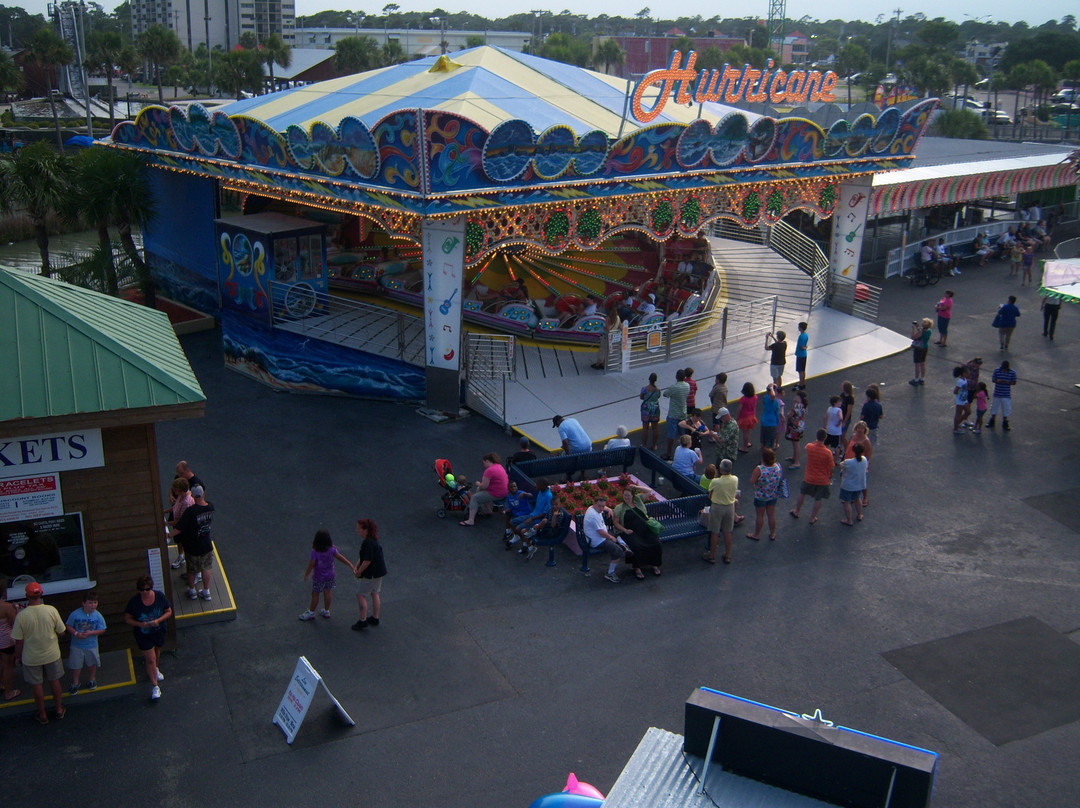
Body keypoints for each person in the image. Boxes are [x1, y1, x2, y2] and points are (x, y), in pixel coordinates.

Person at [11, 582, 67, 722]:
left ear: (26, 596)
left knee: (37, 685)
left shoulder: (22, 616)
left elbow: (18, 641)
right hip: (52, 654)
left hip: (31, 657)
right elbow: (62, 632)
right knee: (54, 681)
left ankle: (42, 715)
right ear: (41, 594)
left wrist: (18, 657)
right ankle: (59, 709)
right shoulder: (51, 610)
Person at [123, 575, 172, 701]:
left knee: (156, 651)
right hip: (143, 634)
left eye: (147, 589)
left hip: (158, 630)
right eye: (142, 590)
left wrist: (158, 620)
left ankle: (155, 668)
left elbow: (168, 611)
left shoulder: (159, 596)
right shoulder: (134, 602)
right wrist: (140, 624)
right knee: (150, 658)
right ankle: (155, 686)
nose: (144, 592)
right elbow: (127, 618)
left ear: (151, 588)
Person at [299, 529, 354, 621]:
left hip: (318, 577)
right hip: (330, 576)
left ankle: (311, 612)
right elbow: (340, 557)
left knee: (315, 594)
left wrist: (306, 574)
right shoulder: (332, 549)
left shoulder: (315, 552)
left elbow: (311, 564)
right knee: (327, 592)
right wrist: (349, 564)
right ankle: (326, 610)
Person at [174, 484, 215, 601]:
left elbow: (179, 527)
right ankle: (206, 591)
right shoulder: (210, 506)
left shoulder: (190, 511)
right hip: (206, 544)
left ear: (192, 495)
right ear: (203, 494)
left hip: (192, 545)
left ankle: (192, 591)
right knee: (206, 567)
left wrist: (168, 535)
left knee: (191, 569)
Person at [611, 485, 662, 579]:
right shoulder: (620, 508)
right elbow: (616, 522)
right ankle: (637, 567)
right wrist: (625, 530)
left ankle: (654, 564)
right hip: (629, 531)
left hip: (643, 529)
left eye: (628, 495)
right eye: (625, 495)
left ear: (633, 496)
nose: (626, 497)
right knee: (636, 546)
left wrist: (635, 487)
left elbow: (648, 491)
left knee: (656, 543)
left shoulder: (638, 500)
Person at [789, 429, 835, 524]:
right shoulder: (828, 453)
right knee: (818, 499)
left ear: (816, 436)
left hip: (809, 477)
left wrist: (816, 441)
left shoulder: (810, 447)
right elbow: (831, 467)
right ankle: (812, 517)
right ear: (825, 438)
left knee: (802, 493)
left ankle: (797, 511)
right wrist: (830, 476)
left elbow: (809, 445)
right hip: (822, 479)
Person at [65, 590, 106, 696]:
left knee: (92, 663)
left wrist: (91, 633)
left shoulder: (97, 615)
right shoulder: (75, 614)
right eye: (90, 602)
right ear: (84, 603)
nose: (93, 605)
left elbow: (103, 629)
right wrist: (76, 633)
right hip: (76, 645)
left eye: (95, 602)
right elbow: (68, 626)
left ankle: (92, 679)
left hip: (91, 645)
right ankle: (75, 682)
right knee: (76, 665)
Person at [582, 495, 628, 583]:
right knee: (617, 551)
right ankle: (610, 573)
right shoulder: (593, 516)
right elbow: (601, 532)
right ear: (594, 504)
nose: (602, 508)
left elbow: (604, 507)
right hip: (597, 541)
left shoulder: (592, 508)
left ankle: (624, 546)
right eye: (599, 506)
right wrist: (610, 537)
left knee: (619, 534)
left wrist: (609, 509)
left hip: (601, 536)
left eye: (603, 506)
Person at [351, 519, 387, 630]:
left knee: (361, 595)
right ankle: (375, 617)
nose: (357, 530)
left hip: (370, 574)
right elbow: (364, 557)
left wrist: (359, 572)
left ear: (365, 530)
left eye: (358, 528)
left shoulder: (367, 543)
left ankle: (363, 620)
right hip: (378, 572)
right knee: (375, 593)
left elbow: (367, 560)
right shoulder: (373, 541)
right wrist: (357, 566)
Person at [460, 452, 509, 526]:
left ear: (487, 461)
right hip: (504, 491)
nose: (484, 465)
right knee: (480, 492)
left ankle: (471, 520)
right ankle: (488, 510)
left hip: (497, 493)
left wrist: (479, 484)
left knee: (475, 497)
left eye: (484, 463)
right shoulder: (499, 466)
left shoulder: (489, 471)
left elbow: (484, 486)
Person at [705, 459, 739, 564]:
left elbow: (710, 496)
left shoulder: (715, 482)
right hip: (730, 507)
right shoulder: (735, 479)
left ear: (721, 469)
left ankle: (712, 556)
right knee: (727, 532)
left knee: (715, 532)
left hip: (717, 507)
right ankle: (728, 555)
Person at [746, 447, 783, 541]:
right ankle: (772, 533)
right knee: (771, 515)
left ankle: (756, 534)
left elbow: (751, 481)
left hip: (761, 496)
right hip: (773, 494)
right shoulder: (777, 467)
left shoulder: (759, 469)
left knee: (760, 516)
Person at [509, 477, 553, 552]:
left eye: (538, 485)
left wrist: (532, 519)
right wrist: (524, 493)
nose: (535, 486)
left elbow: (545, 513)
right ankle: (525, 543)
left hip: (537, 519)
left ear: (543, 486)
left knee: (518, 529)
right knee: (512, 522)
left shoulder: (548, 496)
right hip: (532, 515)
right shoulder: (540, 491)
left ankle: (528, 546)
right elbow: (531, 496)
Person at [167, 476, 194, 571]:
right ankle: (181, 557)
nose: (174, 492)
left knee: (186, 546)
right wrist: (165, 511)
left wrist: (167, 523)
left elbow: (181, 521)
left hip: (185, 529)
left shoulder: (186, 502)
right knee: (179, 541)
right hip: (178, 524)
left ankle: (193, 573)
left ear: (181, 490)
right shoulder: (180, 496)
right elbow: (175, 507)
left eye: (175, 490)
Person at [662, 369, 691, 459]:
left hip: (673, 414)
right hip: (683, 413)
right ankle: (684, 451)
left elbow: (665, 394)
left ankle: (669, 453)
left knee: (671, 434)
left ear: (676, 377)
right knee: (683, 434)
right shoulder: (687, 386)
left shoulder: (674, 387)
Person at [843, 421, 873, 507]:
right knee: (850, 479)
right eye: (858, 428)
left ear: (865, 430)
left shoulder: (866, 441)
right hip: (850, 460)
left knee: (862, 481)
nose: (860, 430)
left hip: (859, 462)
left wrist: (866, 464)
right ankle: (851, 497)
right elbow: (849, 447)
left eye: (862, 428)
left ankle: (865, 497)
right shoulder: (853, 436)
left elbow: (868, 453)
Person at [838, 444, 868, 526]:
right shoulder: (864, 459)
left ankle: (849, 520)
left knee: (847, 502)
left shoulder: (848, 462)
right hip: (859, 485)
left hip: (848, 486)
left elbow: (840, 465)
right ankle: (859, 514)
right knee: (857, 499)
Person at [0, 578, 19, 702]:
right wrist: (16, 610)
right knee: (8, 666)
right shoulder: (6, 607)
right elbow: (15, 624)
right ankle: (8, 692)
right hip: (6, 641)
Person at [986, 360, 1017, 431]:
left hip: (1006, 394)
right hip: (997, 393)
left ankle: (1005, 422)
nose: (1004, 370)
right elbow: (993, 379)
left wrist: (1007, 382)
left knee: (1006, 409)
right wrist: (998, 381)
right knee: (994, 408)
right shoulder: (997, 370)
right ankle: (992, 421)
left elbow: (1014, 382)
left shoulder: (1012, 372)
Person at [785, 389, 808, 469]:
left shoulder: (797, 406)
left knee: (795, 443)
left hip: (795, 427)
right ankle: (795, 458)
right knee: (795, 443)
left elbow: (789, 415)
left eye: (797, 396)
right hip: (799, 426)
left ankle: (797, 462)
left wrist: (794, 404)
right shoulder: (803, 405)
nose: (795, 397)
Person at [639, 373, 662, 450]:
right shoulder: (658, 390)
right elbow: (658, 396)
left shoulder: (644, 389)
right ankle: (654, 445)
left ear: (649, 380)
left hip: (646, 409)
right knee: (655, 428)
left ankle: (644, 444)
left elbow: (641, 397)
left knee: (645, 428)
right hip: (655, 408)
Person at [909, 318, 932, 385]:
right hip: (925, 347)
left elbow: (913, 337)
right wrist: (917, 327)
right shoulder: (929, 331)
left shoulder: (920, 332)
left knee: (917, 364)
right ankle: (922, 378)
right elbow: (922, 330)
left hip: (918, 348)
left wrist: (913, 329)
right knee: (922, 363)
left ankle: (916, 379)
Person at [736, 382, 758, 453]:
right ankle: (747, 442)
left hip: (744, 417)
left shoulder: (743, 399)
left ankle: (744, 447)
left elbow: (739, 409)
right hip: (752, 416)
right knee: (748, 431)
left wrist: (737, 418)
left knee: (745, 432)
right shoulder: (755, 397)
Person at [759, 384, 781, 450]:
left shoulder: (766, 397)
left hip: (764, 422)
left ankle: (763, 456)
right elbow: (773, 395)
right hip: (771, 423)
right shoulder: (771, 399)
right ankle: (766, 458)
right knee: (769, 444)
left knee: (763, 441)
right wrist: (772, 388)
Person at [824, 395, 844, 460]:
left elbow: (825, 417)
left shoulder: (829, 408)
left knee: (826, 444)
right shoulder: (839, 410)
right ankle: (837, 459)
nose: (841, 403)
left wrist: (824, 426)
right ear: (835, 403)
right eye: (839, 402)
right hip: (836, 431)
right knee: (836, 446)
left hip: (829, 429)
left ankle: (826, 457)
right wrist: (839, 423)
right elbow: (841, 418)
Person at [952, 366, 970, 434]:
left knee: (968, 411)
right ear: (963, 373)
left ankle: (958, 423)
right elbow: (955, 391)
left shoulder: (965, 380)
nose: (969, 373)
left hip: (964, 399)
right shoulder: (960, 381)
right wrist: (960, 394)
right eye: (968, 372)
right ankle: (956, 428)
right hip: (960, 400)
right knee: (958, 414)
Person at [794, 322, 809, 389]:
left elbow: (802, 347)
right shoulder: (806, 335)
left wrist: (805, 347)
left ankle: (801, 385)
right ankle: (802, 383)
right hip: (803, 354)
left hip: (800, 355)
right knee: (802, 370)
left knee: (800, 371)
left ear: (801, 328)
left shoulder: (801, 337)